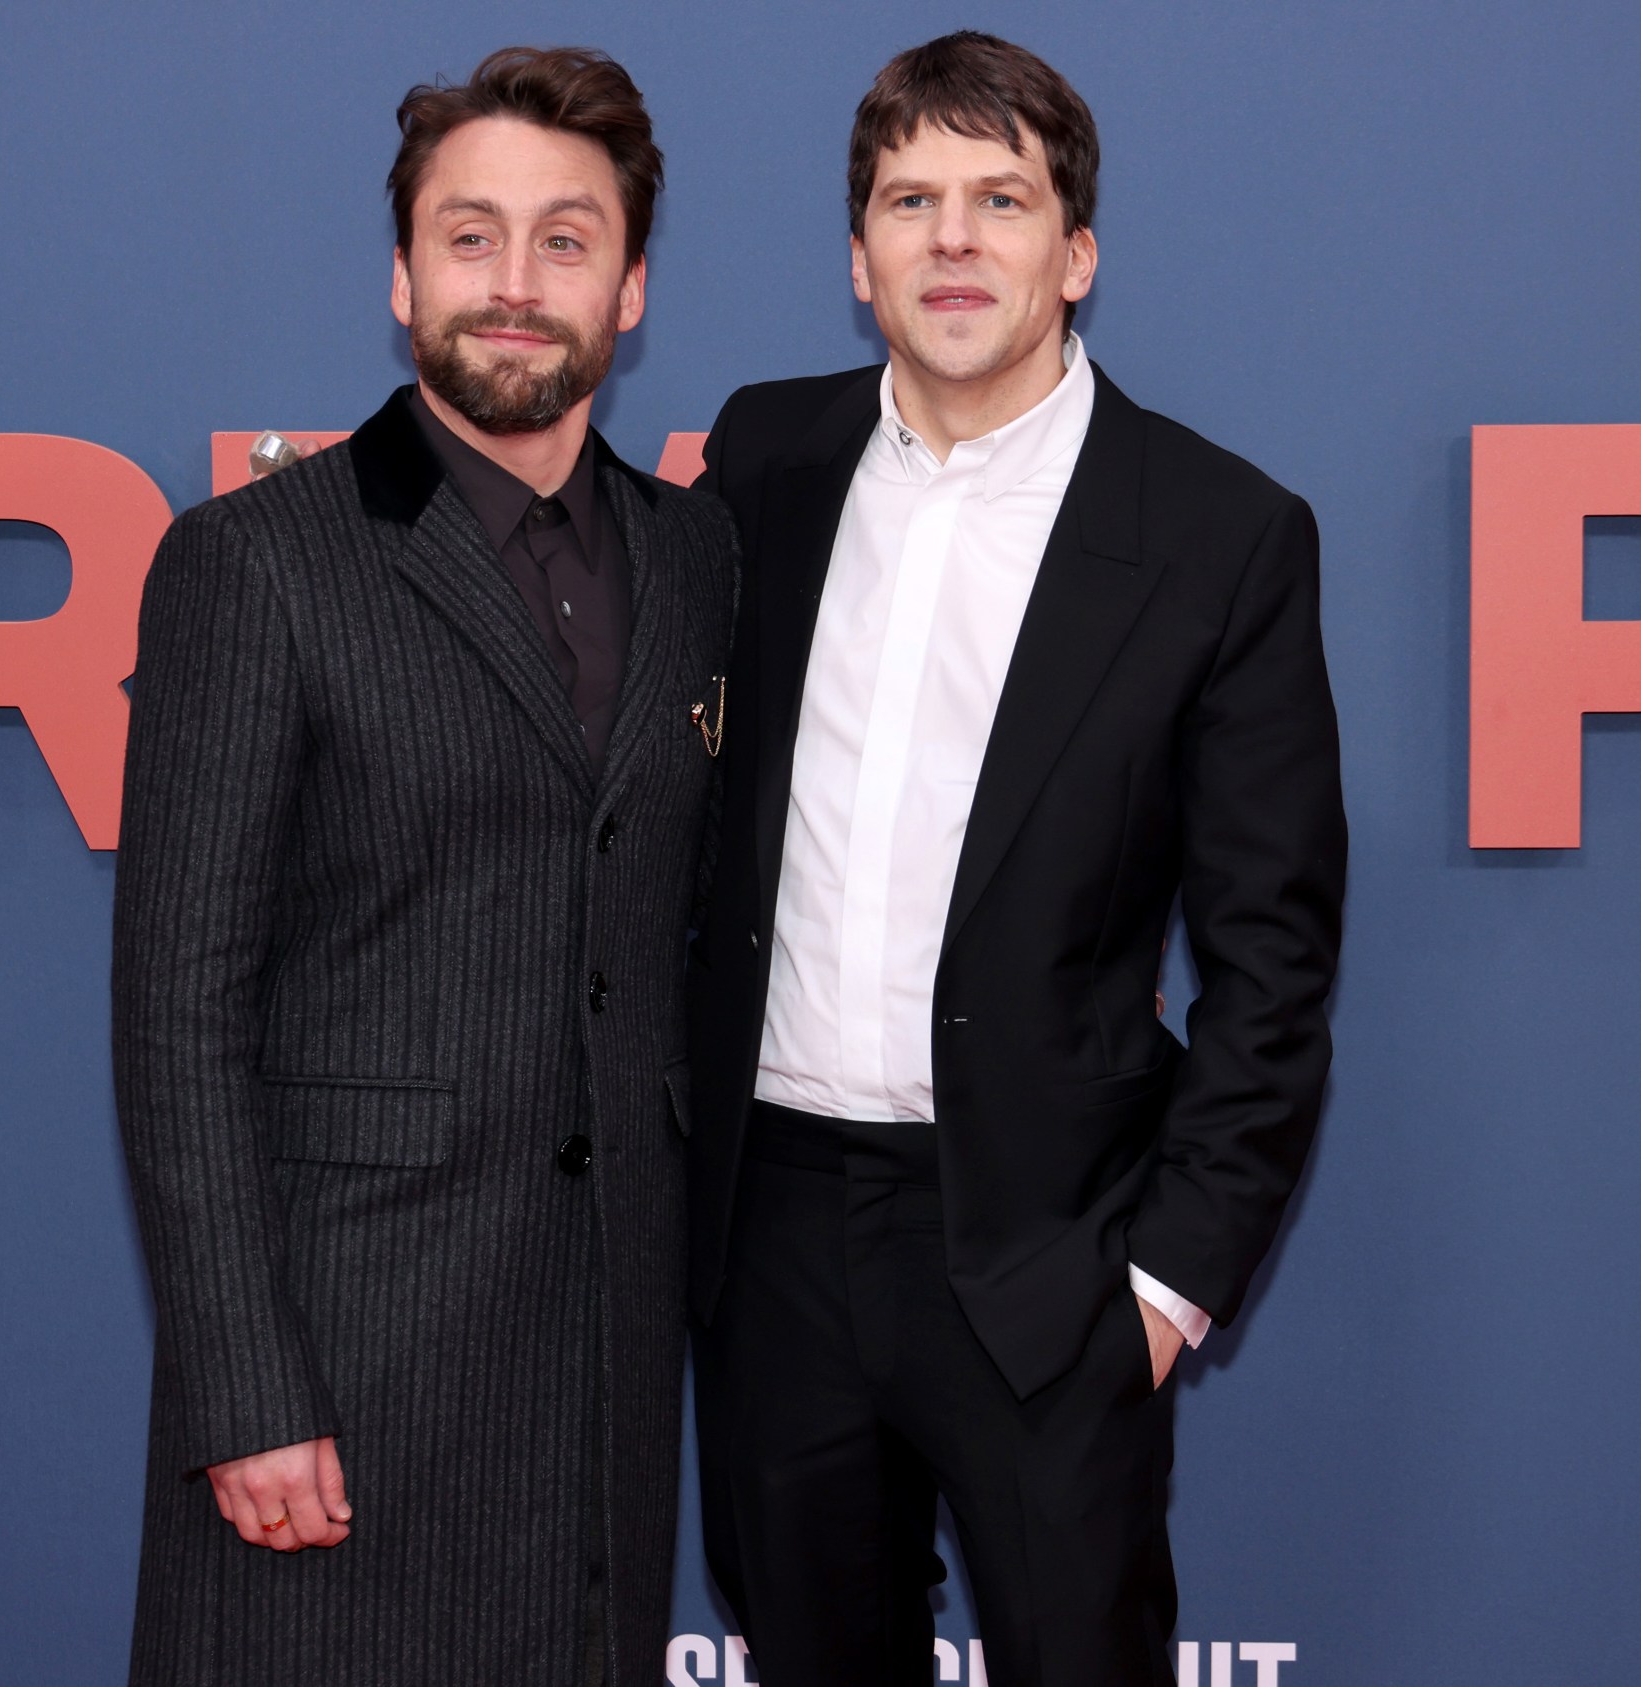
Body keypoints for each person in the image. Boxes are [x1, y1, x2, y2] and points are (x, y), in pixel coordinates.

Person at [685, 31, 1347, 1686]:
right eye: (912, 200)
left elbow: (1276, 960)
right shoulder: (758, 461)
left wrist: (1167, 1288)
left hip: (1051, 1254)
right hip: (771, 1237)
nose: (955, 239)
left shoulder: (1219, 532)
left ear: (1079, 254)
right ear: (859, 257)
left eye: (1002, 198)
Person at [111, 45, 736, 1687]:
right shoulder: (255, 566)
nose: (515, 286)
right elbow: (178, 1016)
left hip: (603, 1376)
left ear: (632, 286)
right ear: (402, 278)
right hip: (342, 1370)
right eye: (471, 237)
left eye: (564, 239)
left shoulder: (693, 557)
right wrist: (246, 1387)